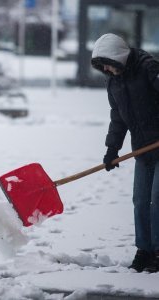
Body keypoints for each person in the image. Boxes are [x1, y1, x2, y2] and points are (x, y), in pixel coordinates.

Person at [91, 33, 159, 273]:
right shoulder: (114, 81)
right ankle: (145, 250)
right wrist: (112, 148)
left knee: (157, 201)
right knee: (140, 201)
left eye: (108, 63)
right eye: (103, 67)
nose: (107, 69)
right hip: (143, 148)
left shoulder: (148, 68)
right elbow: (118, 117)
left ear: (119, 56)